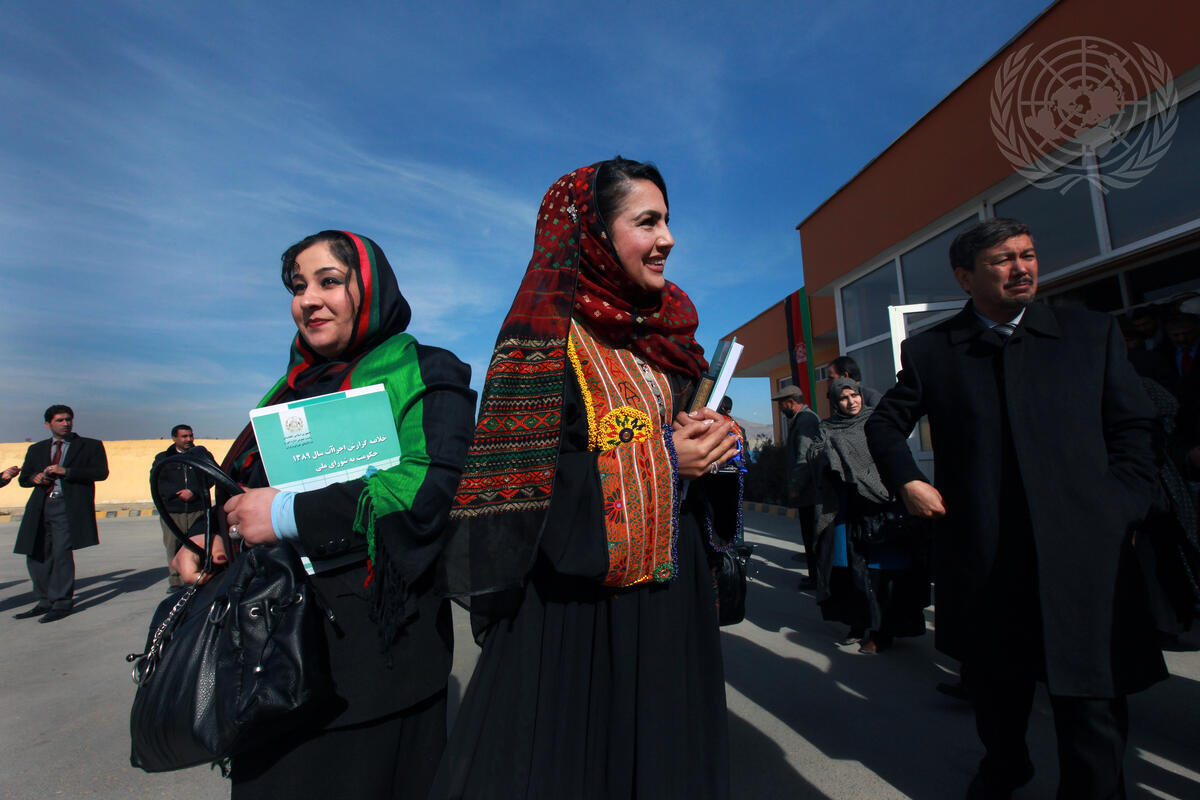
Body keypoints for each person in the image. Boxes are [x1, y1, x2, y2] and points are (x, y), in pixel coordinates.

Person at [432, 159, 741, 799]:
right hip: (572, 612)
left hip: (667, 601)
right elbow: (515, 486)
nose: (668, 239)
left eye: (668, 221)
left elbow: (688, 449)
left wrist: (714, 446)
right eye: (647, 221)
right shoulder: (542, 338)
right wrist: (661, 459)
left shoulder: (670, 332)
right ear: (591, 234)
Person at [865, 218, 1166, 798]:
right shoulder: (933, 350)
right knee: (997, 688)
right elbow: (885, 425)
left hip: (1083, 555)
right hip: (987, 554)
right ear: (964, 277)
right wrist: (907, 480)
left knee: (1091, 698)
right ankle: (1006, 766)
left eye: (1027, 254)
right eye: (1003, 260)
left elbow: (1136, 429)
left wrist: (1122, 507)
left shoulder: (1088, 333)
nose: (1022, 267)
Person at [172, 230, 475, 799]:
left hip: (378, 663)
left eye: (329, 281)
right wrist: (209, 533)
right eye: (297, 287)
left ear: (372, 288)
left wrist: (286, 514)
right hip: (269, 659)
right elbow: (244, 485)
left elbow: (428, 488)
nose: (308, 299)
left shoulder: (426, 373)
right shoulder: (285, 393)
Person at [808, 378, 928, 653]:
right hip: (847, 510)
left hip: (883, 507)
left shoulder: (876, 422)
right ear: (835, 402)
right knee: (850, 571)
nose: (851, 402)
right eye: (843, 398)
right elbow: (817, 462)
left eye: (854, 395)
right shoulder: (828, 428)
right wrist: (823, 455)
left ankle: (881, 631)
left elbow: (893, 458)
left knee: (881, 573)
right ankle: (858, 623)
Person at [12, 405, 109, 623]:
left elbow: (101, 473)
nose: (66, 424)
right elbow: (24, 478)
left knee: (61, 554)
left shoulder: (89, 446)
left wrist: (67, 472)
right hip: (40, 506)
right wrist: (35, 478)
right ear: (48, 424)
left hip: (68, 506)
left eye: (68, 419)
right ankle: (45, 600)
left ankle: (63, 602)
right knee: (35, 553)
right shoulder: (37, 449)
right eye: (60, 420)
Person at [151, 424, 217, 592]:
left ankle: (201, 577)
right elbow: (157, 482)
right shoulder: (163, 458)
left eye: (190, 436)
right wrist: (177, 494)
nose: (188, 440)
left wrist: (194, 492)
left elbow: (213, 475)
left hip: (198, 508)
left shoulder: (202, 455)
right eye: (184, 436)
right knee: (173, 544)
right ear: (174, 438)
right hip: (173, 511)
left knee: (201, 544)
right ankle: (176, 581)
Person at [772, 384, 821, 587]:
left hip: (810, 492)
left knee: (812, 536)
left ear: (790, 402)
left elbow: (804, 457)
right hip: (808, 491)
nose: (781, 410)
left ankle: (818, 578)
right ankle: (815, 575)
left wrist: (795, 487)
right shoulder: (803, 420)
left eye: (781, 405)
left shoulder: (806, 421)